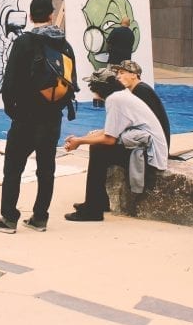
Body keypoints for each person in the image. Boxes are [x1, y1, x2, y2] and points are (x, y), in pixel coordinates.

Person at [0, 0, 77, 234]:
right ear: (50, 14)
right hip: (52, 116)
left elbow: (10, 80)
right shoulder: (64, 44)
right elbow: (71, 82)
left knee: (13, 167)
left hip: (26, 115)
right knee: (46, 168)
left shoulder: (25, 42)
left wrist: (12, 109)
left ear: (29, 16)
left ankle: (9, 217)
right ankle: (40, 217)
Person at [62, 68, 168, 222]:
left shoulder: (115, 100)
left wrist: (80, 141)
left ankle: (93, 210)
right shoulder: (122, 95)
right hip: (148, 147)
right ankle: (98, 202)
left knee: (99, 150)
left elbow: (109, 139)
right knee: (97, 146)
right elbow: (111, 130)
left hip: (149, 154)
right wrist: (81, 138)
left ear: (99, 88)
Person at [111, 60, 170, 147]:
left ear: (134, 75)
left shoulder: (141, 91)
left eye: (122, 73)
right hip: (155, 141)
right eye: (117, 74)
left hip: (155, 145)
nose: (118, 77)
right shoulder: (139, 89)